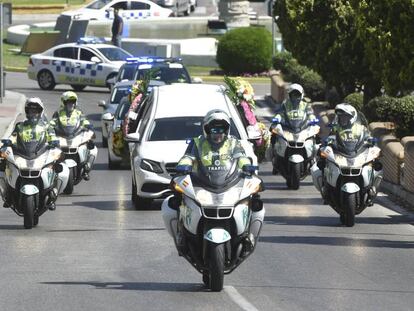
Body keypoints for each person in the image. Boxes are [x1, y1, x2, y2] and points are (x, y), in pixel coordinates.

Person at [171, 109, 263, 253]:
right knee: (173, 201)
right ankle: (182, 234)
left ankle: (248, 236)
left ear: (226, 130)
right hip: (202, 183)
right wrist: (184, 164)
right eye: (214, 129)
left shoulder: (233, 143)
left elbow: (241, 157)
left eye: (221, 129)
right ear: (207, 129)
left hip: (227, 183)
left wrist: (247, 165)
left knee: (255, 202)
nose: (217, 133)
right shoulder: (197, 142)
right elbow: (188, 156)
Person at [1, 98, 58, 209]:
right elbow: (13, 137)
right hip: (22, 155)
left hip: (40, 155)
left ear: (40, 112)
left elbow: (52, 136)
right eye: (31, 111)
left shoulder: (46, 127)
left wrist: (54, 141)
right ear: (27, 111)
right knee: (5, 165)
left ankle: (51, 196)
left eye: (36, 111)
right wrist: (8, 141)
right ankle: (8, 195)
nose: (33, 113)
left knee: (57, 167)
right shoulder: (20, 126)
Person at [269, 83, 317, 173]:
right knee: (274, 131)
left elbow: (310, 114)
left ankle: (313, 159)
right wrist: (278, 118)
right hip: (288, 128)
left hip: (302, 128)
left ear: (302, 94)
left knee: (315, 134)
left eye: (297, 95)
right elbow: (280, 113)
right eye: (293, 95)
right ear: (289, 95)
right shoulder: (285, 104)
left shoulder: (306, 105)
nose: (295, 97)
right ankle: (275, 158)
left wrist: (312, 119)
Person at [50, 91, 97, 181]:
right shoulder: (58, 113)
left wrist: (89, 126)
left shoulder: (79, 113)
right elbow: (52, 122)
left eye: (72, 101)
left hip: (76, 135)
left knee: (91, 147)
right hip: (62, 136)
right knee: (52, 150)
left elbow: (84, 120)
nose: (70, 104)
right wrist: (49, 128)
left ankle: (86, 167)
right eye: (68, 102)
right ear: (63, 102)